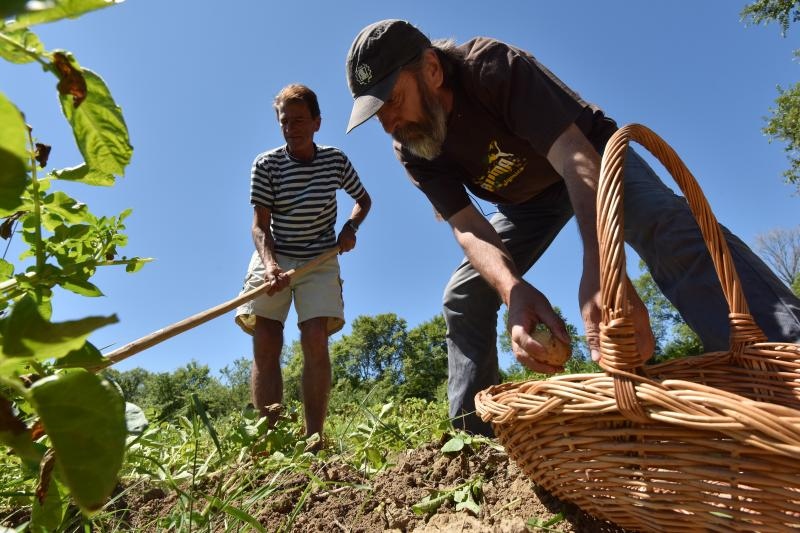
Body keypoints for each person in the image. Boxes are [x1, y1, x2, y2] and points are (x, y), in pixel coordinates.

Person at [344, 20, 800, 435]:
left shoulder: (492, 68)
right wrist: (513, 290)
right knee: (463, 294)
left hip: (591, 159)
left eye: (392, 101)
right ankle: (473, 443)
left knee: (665, 226)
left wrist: (601, 265)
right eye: (375, 113)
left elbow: (574, 158)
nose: (388, 121)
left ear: (431, 70)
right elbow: (467, 226)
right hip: (528, 203)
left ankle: (782, 370)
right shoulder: (412, 146)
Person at [235, 83, 371, 445]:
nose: (291, 128)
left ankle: (313, 439)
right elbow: (260, 226)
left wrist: (351, 227)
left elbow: (363, 199)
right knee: (266, 337)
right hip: (276, 255)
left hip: (319, 258)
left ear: (316, 123)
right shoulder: (266, 165)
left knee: (314, 337)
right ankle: (269, 440)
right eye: (284, 121)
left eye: (298, 121)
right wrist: (269, 265)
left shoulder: (335, 161)